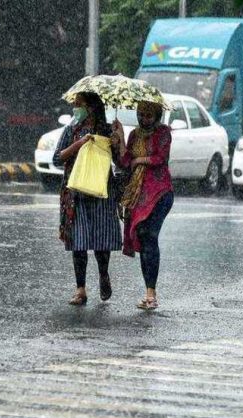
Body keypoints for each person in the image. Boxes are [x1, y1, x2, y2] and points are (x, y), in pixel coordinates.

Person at [52, 92, 122, 306]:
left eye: (78, 104)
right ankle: (80, 289)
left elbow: (121, 162)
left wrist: (120, 140)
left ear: (91, 107)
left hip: (101, 190)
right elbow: (56, 158)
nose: (75, 108)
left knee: (102, 239)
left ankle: (103, 275)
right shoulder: (71, 130)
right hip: (76, 191)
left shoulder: (108, 130)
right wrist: (80, 144)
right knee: (78, 242)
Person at [112, 101, 174, 310]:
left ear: (156, 116)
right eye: (140, 114)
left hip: (159, 193)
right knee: (142, 236)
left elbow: (160, 158)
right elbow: (125, 162)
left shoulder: (164, 133)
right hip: (138, 194)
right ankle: (148, 293)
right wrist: (119, 139)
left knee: (150, 235)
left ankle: (151, 293)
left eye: (148, 115)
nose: (143, 118)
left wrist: (139, 160)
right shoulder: (134, 135)